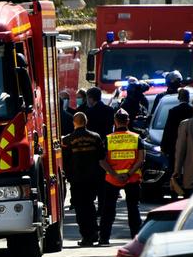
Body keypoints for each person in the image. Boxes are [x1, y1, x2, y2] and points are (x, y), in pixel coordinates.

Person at [99, 109, 144, 244]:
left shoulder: (108, 139)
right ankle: (136, 239)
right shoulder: (136, 138)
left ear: (115, 122)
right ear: (128, 121)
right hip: (132, 178)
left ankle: (104, 238)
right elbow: (141, 159)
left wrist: (115, 175)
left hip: (112, 179)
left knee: (108, 209)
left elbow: (101, 161)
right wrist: (129, 174)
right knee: (133, 209)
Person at [61, 112, 104, 247]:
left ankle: (86, 236)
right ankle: (94, 233)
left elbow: (65, 160)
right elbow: (101, 157)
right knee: (90, 206)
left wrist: (67, 175)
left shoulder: (68, 140)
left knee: (80, 209)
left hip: (77, 179)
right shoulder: (95, 137)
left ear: (74, 123)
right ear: (86, 121)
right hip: (92, 178)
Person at [83, 87, 114, 216]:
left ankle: (92, 207)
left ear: (91, 98)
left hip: (92, 150)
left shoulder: (89, 113)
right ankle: (102, 207)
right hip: (106, 147)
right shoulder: (109, 110)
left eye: (87, 98)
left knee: (91, 180)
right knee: (103, 181)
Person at [160, 88, 193, 173]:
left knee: (174, 168)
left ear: (179, 98)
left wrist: (164, 146)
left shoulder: (173, 111)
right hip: (190, 144)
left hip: (174, 145)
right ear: (188, 98)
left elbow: (168, 129)